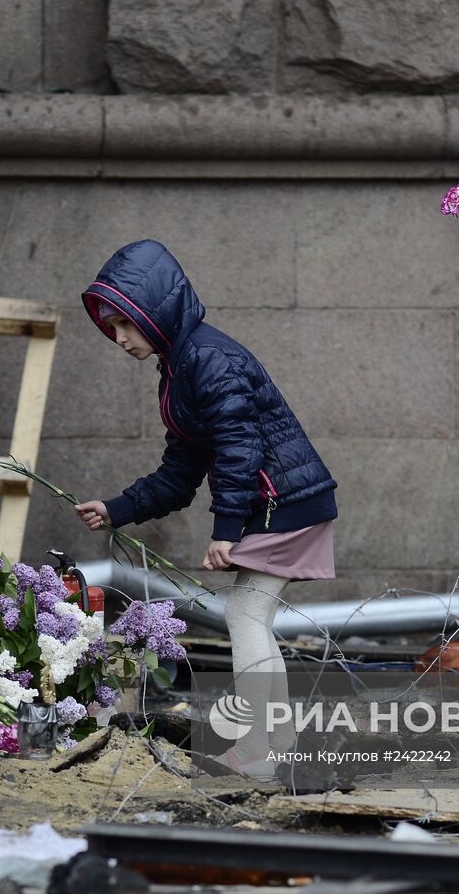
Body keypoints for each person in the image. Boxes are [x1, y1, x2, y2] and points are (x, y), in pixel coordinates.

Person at [74, 239, 338, 780]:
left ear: (154, 310)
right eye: (110, 327)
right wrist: (118, 508)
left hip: (283, 502)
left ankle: (268, 747)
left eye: (124, 323)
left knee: (245, 615)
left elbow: (240, 445)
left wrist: (226, 529)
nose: (118, 338)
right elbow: (180, 470)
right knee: (250, 615)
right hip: (274, 500)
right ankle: (273, 743)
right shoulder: (181, 367)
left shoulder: (208, 358)